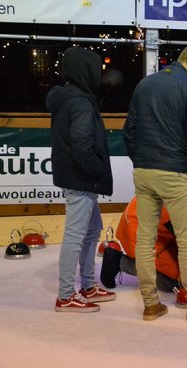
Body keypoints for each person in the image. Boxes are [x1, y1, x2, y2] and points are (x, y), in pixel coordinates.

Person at [123, 44, 187, 321]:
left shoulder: (145, 85)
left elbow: (129, 130)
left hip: (144, 172)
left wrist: (140, 160)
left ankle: (150, 304)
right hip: (176, 173)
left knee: (145, 238)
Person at [100, 174, 187, 305]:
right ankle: (117, 261)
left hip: (151, 226)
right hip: (137, 228)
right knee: (171, 283)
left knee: (185, 273)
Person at [47, 47, 116, 313]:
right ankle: (65, 295)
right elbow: (82, 144)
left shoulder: (70, 98)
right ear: (84, 71)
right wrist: (97, 169)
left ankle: (88, 285)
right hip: (80, 178)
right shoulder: (80, 103)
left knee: (91, 229)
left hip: (77, 176)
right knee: (76, 235)